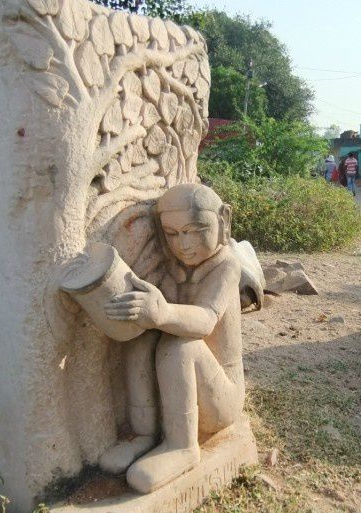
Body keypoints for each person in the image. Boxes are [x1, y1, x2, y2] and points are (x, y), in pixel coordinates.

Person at [103, 184, 245, 493]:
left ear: (224, 220)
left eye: (196, 230)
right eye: (172, 234)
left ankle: (182, 446)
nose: (184, 244)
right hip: (186, 389)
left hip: (221, 398)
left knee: (179, 346)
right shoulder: (172, 264)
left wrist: (163, 312)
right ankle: (145, 433)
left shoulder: (227, 265)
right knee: (141, 337)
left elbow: (205, 320)